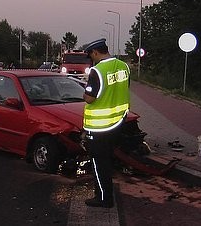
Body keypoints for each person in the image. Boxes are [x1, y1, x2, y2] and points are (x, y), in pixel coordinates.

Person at [82, 38, 130, 208]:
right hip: (118, 122)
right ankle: (106, 194)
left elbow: (89, 98)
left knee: (99, 163)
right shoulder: (124, 66)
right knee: (107, 160)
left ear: (95, 52)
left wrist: (84, 91)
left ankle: (103, 198)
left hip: (99, 127)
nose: (91, 59)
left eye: (91, 55)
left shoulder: (97, 71)